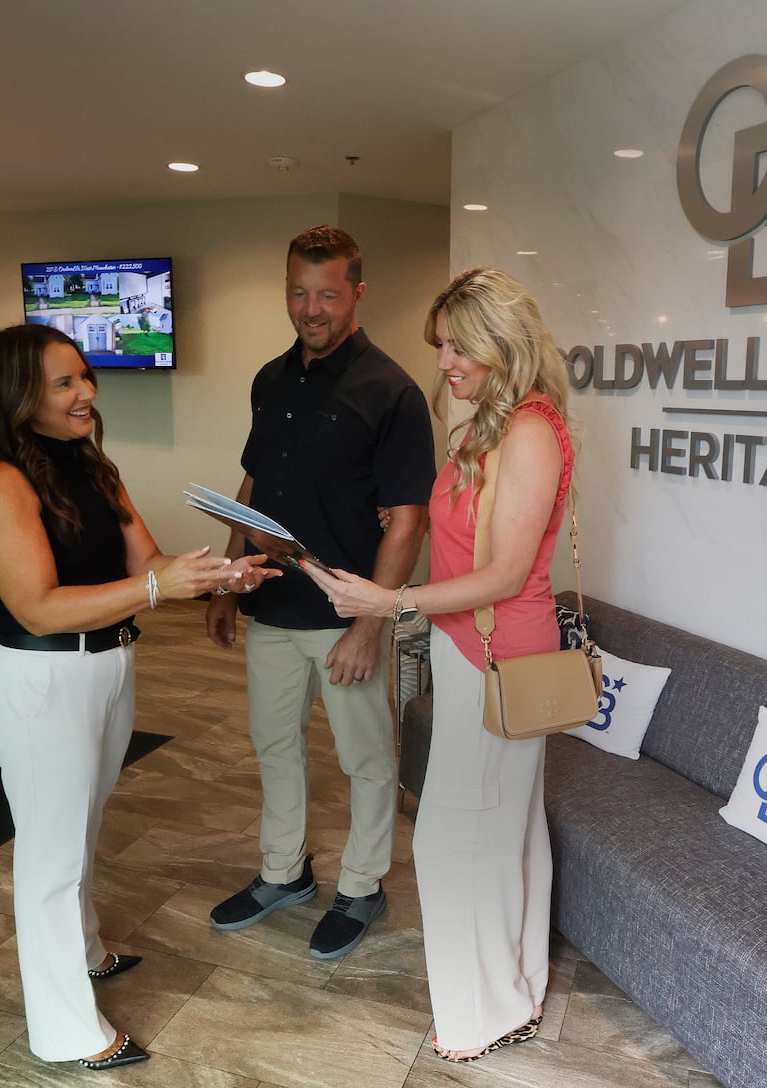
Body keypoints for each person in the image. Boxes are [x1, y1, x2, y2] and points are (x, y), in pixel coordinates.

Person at [0, 324, 277, 1070]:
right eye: (64, 383)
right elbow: (38, 605)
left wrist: (221, 577)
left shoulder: (94, 467)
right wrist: (156, 586)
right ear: (19, 395)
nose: (86, 394)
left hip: (108, 667)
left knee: (81, 828)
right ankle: (67, 1032)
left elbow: (151, 565)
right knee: (49, 854)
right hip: (43, 678)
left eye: (85, 377)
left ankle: (88, 950)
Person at [306, 267, 576, 1062]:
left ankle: (484, 1009)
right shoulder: (489, 427)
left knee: (454, 837)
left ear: (503, 342)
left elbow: (502, 573)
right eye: (442, 347)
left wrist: (391, 603)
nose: (445, 362)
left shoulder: (527, 431)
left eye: (459, 346)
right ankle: (512, 990)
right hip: (474, 647)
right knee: (504, 828)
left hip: (500, 651)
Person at [206, 225, 435, 959]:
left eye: (328, 295)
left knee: (366, 759)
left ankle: (362, 886)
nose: (312, 310)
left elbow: (408, 517)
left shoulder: (393, 390)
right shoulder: (270, 380)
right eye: (299, 294)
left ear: (357, 293)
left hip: (346, 615)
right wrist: (225, 582)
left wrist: (372, 625)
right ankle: (285, 873)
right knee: (275, 745)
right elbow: (253, 486)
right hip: (272, 604)